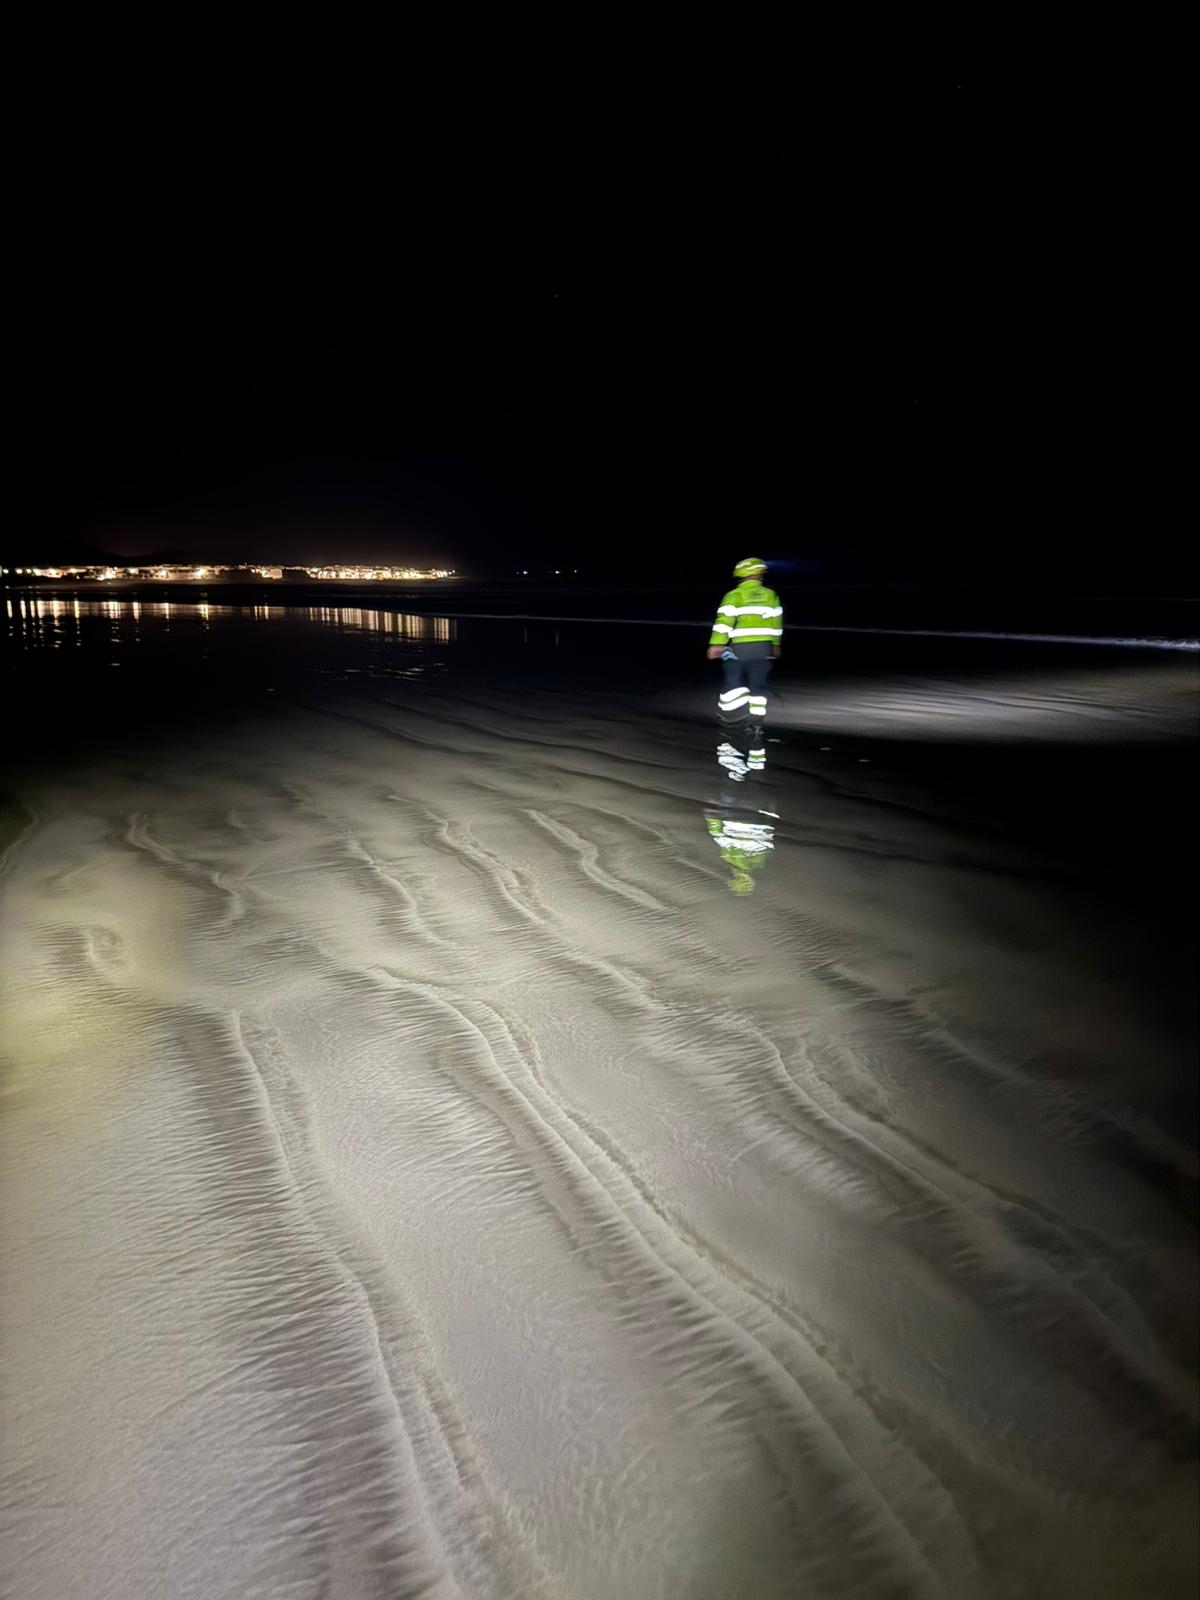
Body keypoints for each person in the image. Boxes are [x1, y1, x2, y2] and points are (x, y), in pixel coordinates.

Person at [706, 557, 783, 724]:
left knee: (732, 681)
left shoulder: (734, 595)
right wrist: (775, 645)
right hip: (763, 649)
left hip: (738, 649)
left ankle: (731, 718)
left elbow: (723, 623)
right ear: (760, 574)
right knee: (758, 685)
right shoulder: (771, 595)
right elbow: (777, 623)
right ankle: (756, 722)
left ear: (740, 575)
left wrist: (716, 645)